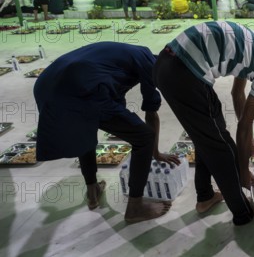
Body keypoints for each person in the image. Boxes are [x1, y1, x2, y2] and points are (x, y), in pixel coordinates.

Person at [154, 22, 254, 225]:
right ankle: (243, 213)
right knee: (225, 150)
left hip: (166, 63)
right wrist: (243, 170)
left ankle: (205, 197)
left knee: (208, 136)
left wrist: (249, 137)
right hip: (186, 74)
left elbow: (237, 93)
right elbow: (244, 126)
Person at [34, 42, 180, 223]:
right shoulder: (150, 64)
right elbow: (151, 113)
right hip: (79, 86)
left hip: (47, 84)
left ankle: (92, 190)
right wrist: (155, 152)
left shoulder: (128, 55)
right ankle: (135, 207)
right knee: (144, 136)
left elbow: (113, 101)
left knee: (85, 126)